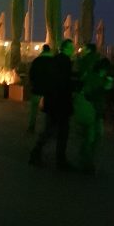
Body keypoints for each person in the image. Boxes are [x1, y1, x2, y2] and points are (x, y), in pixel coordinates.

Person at [29, 38, 75, 169]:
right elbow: (64, 83)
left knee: (50, 130)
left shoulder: (54, 61)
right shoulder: (65, 62)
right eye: (71, 48)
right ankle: (59, 160)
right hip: (60, 103)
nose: (72, 50)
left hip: (52, 101)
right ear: (65, 48)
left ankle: (37, 153)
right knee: (60, 132)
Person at [74, 57, 113, 174]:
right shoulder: (97, 78)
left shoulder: (89, 75)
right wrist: (105, 86)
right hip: (93, 111)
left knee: (90, 137)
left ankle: (85, 160)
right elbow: (92, 93)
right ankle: (87, 163)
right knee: (92, 137)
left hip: (90, 111)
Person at [27, 44, 53, 134]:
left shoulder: (36, 61)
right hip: (49, 91)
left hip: (36, 89)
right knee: (48, 111)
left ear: (42, 50)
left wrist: (32, 84)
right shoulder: (53, 62)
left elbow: (31, 74)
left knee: (33, 110)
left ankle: (31, 127)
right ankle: (47, 129)